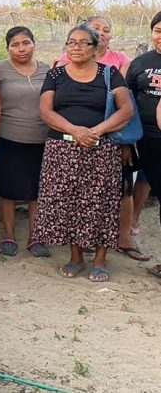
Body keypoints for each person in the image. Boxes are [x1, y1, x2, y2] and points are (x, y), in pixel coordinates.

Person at [33, 25, 133, 282]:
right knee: (69, 203)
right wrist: (74, 130)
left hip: (101, 150)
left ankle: (100, 260)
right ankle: (75, 257)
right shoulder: (55, 74)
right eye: (71, 42)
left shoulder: (110, 74)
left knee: (102, 203)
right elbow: (46, 111)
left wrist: (96, 131)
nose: (76, 47)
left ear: (95, 47)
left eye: (82, 43)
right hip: (63, 149)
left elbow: (126, 110)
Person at [56, 16, 145, 261]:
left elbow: (125, 106)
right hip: (71, 142)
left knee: (118, 190)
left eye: (106, 30)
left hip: (111, 139)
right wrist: (75, 131)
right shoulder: (63, 64)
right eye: (96, 29)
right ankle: (80, 246)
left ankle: (122, 239)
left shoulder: (119, 64)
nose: (102, 33)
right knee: (76, 195)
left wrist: (107, 136)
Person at [0, 27, 51, 258]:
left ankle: (35, 238)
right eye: (15, 45)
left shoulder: (48, 70)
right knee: (8, 189)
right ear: (7, 48)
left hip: (41, 139)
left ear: (34, 44)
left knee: (36, 190)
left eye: (25, 43)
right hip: (8, 137)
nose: (21, 49)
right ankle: (9, 236)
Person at [126, 12, 161, 273]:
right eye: (158, 30)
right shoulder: (140, 63)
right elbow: (125, 102)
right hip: (147, 142)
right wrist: (126, 143)